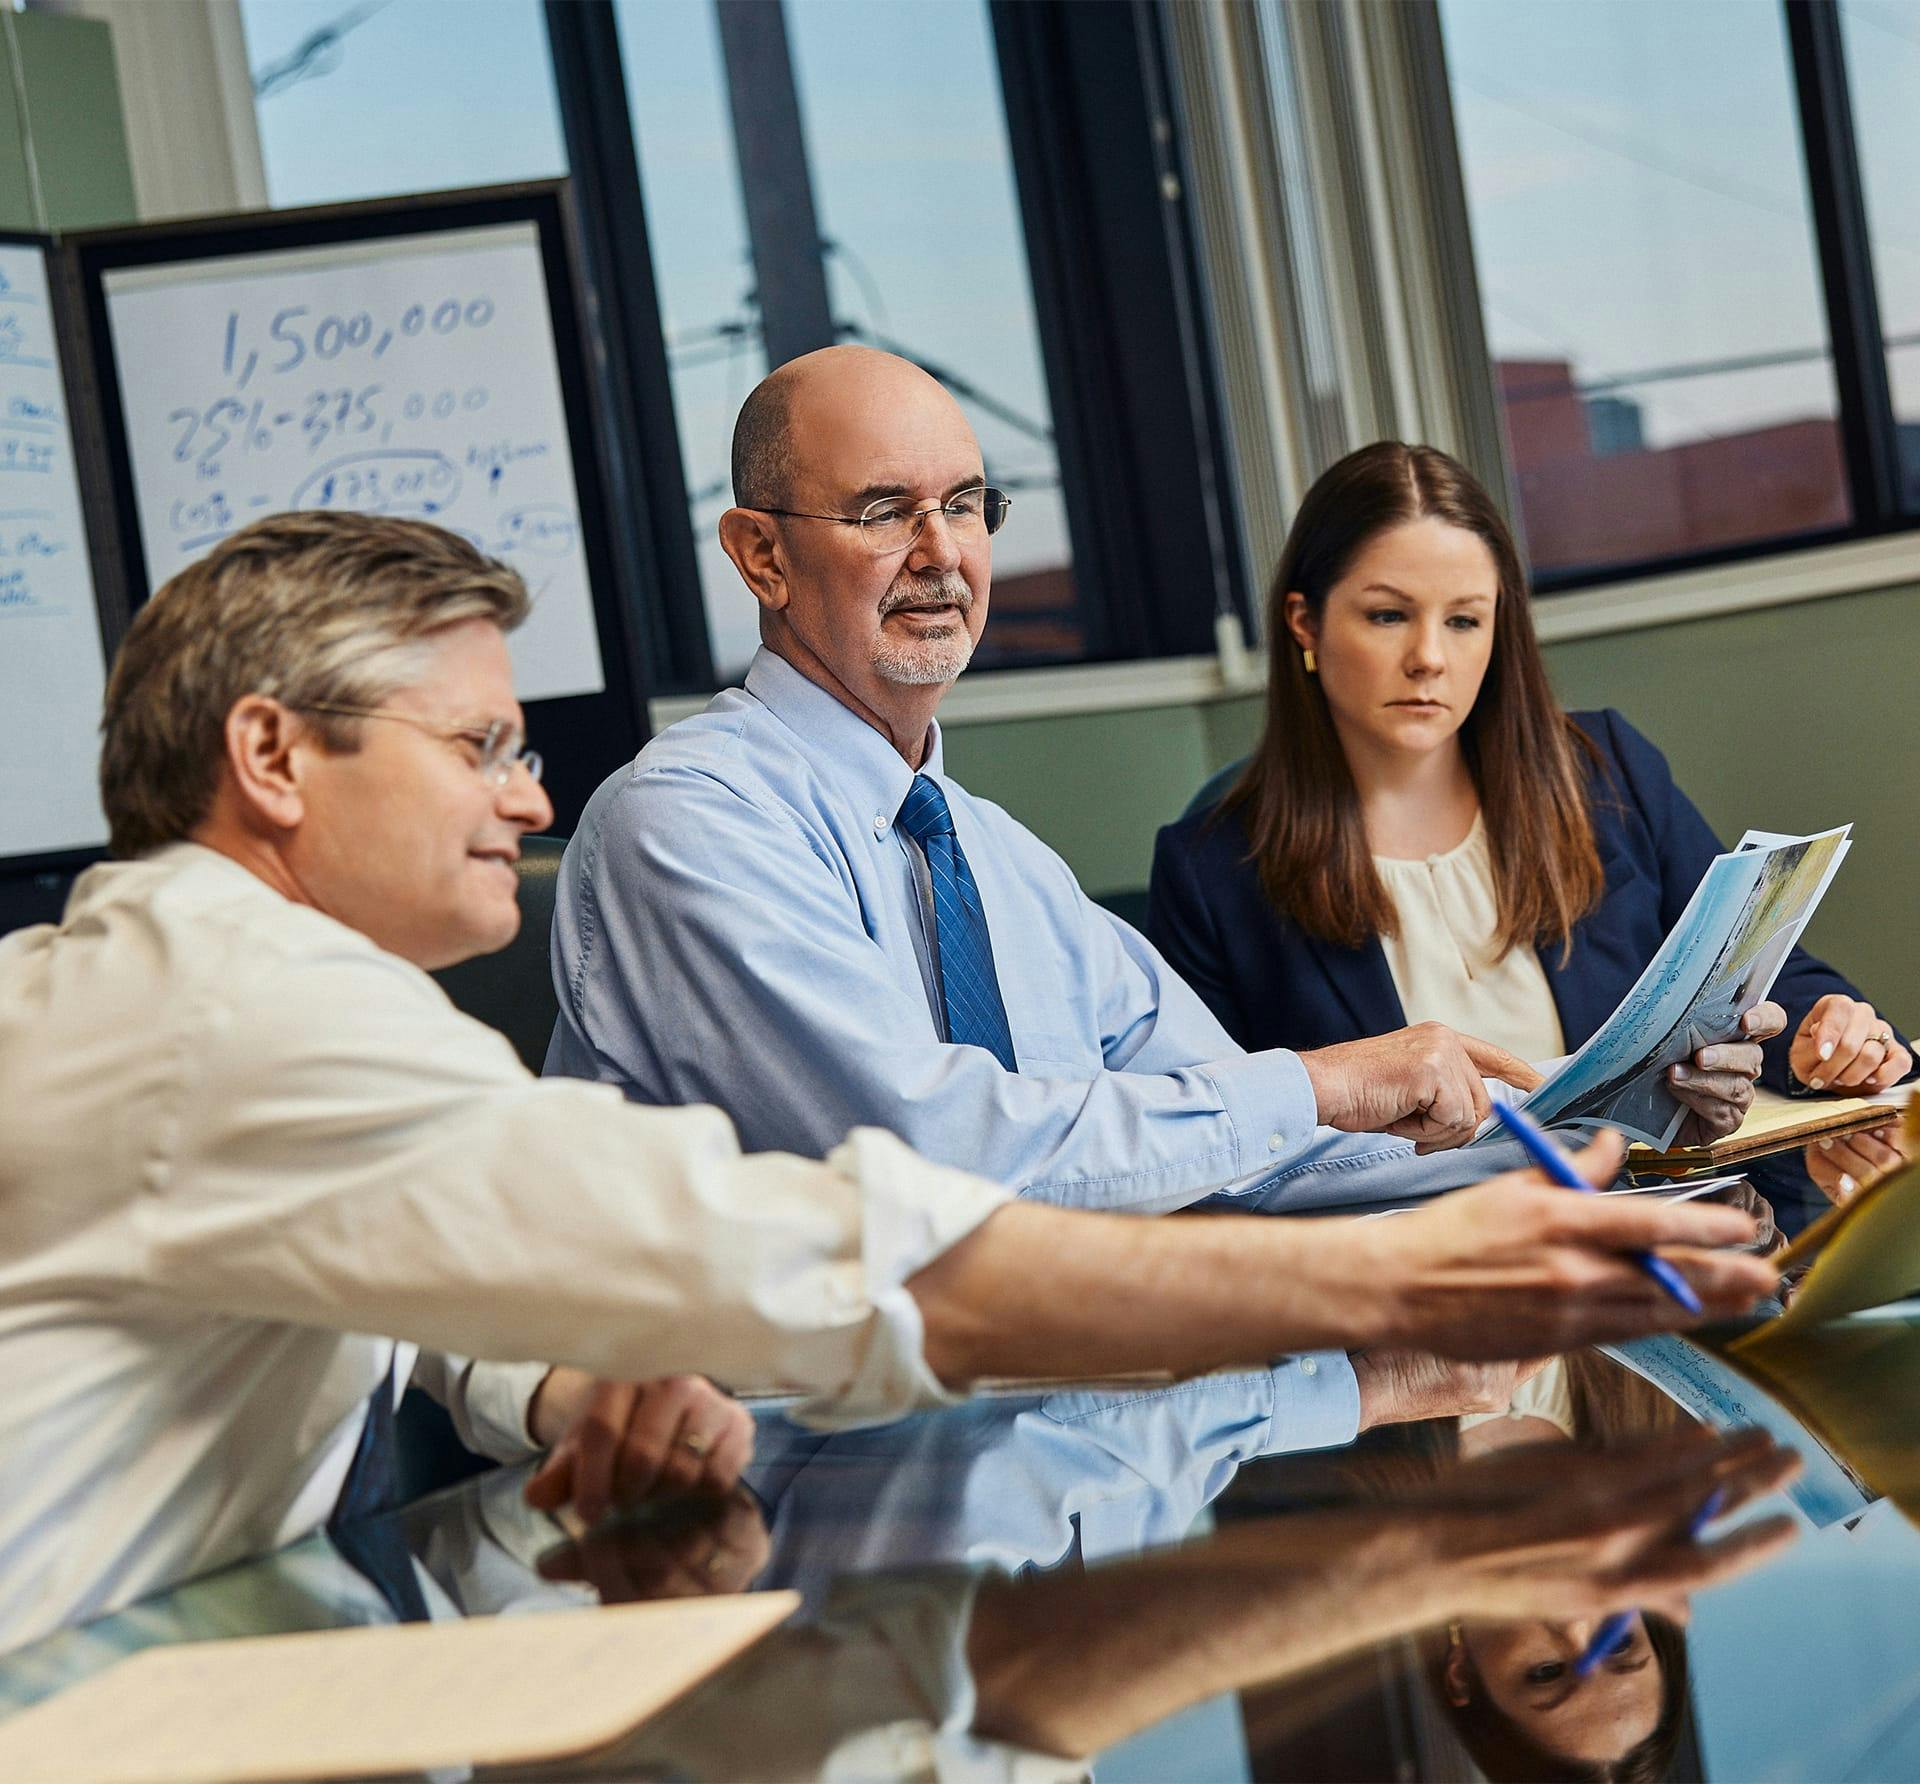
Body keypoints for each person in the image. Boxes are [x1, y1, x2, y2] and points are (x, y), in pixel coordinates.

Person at [0, 510, 1775, 1653]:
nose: (530, 798)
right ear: (268, 756)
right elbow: (848, 1242)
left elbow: (407, 1254)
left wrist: (563, 1381)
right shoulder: (226, 1008)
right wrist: (1404, 1284)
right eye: (479, 745)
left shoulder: (243, 999)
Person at [547, 345, 1544, 1220]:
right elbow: (934, 1160)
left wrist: (1584, 1139)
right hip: (789, 1425)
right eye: (886, 511)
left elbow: (1253, 1146)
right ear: (762, 557)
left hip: (1058, 1402)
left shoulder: (1001, 861)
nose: (942, 553)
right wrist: (1318, 1082)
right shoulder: (687, 821)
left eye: (968, 505)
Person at [1149, 441, 1910, 1144]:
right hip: (1418, 1253)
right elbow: (1211, 1132)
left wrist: (1826, 1037)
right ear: (1305, 622)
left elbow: (1764, 983)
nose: (1429, 659)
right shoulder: (1213, 871)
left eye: (1464, 621)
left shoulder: (1605, 771)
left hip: (1650, 1214)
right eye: (1388, 616)